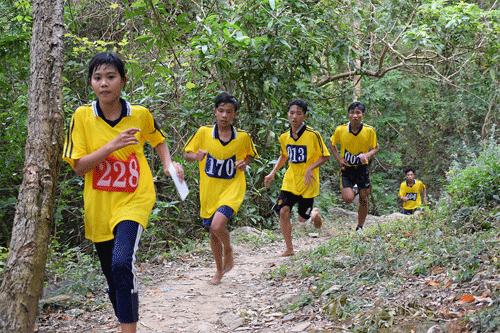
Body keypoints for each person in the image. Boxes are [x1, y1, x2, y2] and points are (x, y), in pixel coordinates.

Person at [62, 52, 184, 333]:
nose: (104, 84)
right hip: (99, 206)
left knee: (121, 264)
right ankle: (126, 321)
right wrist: (112, 146)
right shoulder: (82, 116)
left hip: (135, 198)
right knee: (112, 275)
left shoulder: (140, 115)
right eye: (97, 78)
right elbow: (79, 167)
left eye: (110, 77)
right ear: (91, 83)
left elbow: (159, 141)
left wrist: (168, 166)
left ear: (123, 81)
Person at [184, 92, 259, 285]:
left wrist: (244, 162)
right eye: (221, 111)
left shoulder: (242, 137)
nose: (225, 115)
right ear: (215, 112)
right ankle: (218, 271)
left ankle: (229, 250)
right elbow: (187, 154)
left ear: (235, 114)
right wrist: (196, 156)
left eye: (229, 112)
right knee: (212, 231)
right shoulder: (203, 132)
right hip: (209, 191)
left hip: (232, 188)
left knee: (217, 226)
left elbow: (251, 155)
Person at [264, 99, 330, 257]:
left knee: (302, 221)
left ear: (304, 116)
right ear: (288, 115)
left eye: (299, 114)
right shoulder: (284, 137)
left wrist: (310, 168)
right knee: (283, 212)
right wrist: (272, 173)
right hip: (290, 181)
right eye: (292, 113)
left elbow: (325, 156)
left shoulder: (313, 135)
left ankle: (313, 214)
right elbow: (284, 156)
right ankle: (289, 248)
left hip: (308, 182)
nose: (294, 117)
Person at [329, 101, 379, 232]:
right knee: (348, 198)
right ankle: (355, 189)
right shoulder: (340, 130)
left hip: (362, 169)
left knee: (364, 198)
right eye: (352, 113)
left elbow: (376, 147)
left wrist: (367, 154)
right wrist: (339, 159)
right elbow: (332, 143)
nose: (355, 116)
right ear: (348, 115)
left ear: (363, 115)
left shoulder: (369, 131)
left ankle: (360, 227)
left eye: (358, 113)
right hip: (347, 168)